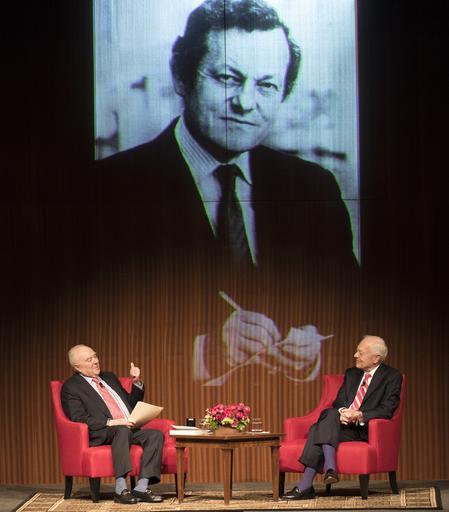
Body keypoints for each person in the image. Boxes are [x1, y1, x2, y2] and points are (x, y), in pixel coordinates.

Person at [92, 0, 359, 384]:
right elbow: (79, 341)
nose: (246, 103)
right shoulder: (105, 191)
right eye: (228, 78)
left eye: (266, 85)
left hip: (294, 411)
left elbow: (357, 323)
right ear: (181, 76)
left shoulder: (314, 187)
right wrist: (205, 352)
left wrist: (315, 355)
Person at [283, 335, 403, 500]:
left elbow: (388, 409)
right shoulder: (352, 373)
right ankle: (329, 470)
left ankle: (306, 484)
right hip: (341, 425)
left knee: (317, 429)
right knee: (330, 413)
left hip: (365, 430)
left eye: (360, 352)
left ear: (376, 358)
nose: (355, 355)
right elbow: (338, 401)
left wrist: (359, 415)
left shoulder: (392, 376)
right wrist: (344, 412)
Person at [61, 345, 164, 505]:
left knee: (155, 435)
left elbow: (130, 403)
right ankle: (120, 489)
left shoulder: (109, 377)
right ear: (77, 367)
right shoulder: (71, 387)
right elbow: (78, 417)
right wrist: (111, 422)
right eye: (89, 359)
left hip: (127, 427)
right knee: (121, 430)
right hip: (102, 431)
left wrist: (136, 383)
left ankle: (142, 487)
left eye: (95, 356)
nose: (95, 361)